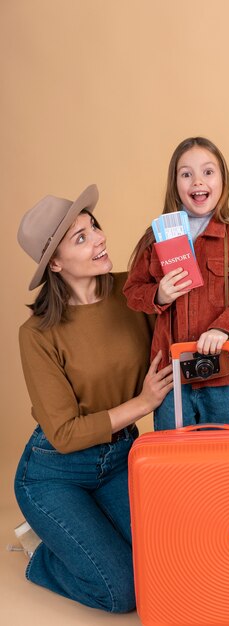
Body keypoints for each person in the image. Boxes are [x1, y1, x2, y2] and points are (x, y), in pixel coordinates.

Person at [14, 184, 173, 612]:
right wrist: (142, 404)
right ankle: (44, 556)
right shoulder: (37, 335)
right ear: (56, 264)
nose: (99, 239)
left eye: (94, 228)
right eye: (80, 238)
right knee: (123, 592)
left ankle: (79, 539)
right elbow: (64, 433)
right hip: (55, 472)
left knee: (166, 564)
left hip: (121, 458)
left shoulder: (136, 293)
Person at [123, 137, 229, 429]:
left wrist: (224, 328)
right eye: (186, 174)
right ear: (175, 183)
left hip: (223, 376)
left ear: (222, 179)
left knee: (226, 459)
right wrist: (159, 294)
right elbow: (132, 292)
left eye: (208, 171)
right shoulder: (156, 237)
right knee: (176, 462)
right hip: (171, 378)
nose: (197, 182)